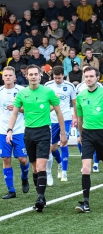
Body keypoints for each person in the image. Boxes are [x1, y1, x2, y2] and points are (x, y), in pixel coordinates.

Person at [7, 64, 66, 212]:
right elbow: (14, 113)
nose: (33, 76)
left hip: (44, 133)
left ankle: (40, 197)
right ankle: (41, 196)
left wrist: (63, 133)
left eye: (36, 74)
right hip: (28, 133)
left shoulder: (48, 92)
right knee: (34, 168)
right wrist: (9, 130)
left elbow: (59, 113)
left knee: (41, 167)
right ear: (26, 76)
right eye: (30, 74)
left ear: (40, 76)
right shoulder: (21, 94)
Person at [75, 66, 103, 213]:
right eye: (86, 76)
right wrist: (80, 134)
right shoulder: (80, 96)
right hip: (87, 135)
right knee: (85, 168)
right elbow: (80, 119)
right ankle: (86, 203)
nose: (88, 79)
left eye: (91, 76)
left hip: (102, 134)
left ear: (97, 77)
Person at [0, 67, 30, 199]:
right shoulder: (0, 92)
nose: (7, 77)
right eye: (5, 75)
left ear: (14, 77)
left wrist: (19, 109)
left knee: (23, 159)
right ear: (3, 77)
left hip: (19, 130)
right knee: (6, 159)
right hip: (2, 131)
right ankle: (11, 190)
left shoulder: (21, 91)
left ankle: (24, 177)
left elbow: (30, 108)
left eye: (10, 75)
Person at [44, 66, 76, 184]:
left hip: (66, 118)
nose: (57, 80)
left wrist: (76, 117)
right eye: (55, 78)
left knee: (64, 141)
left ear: (63, 75)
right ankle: (59, 163)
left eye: (59, 77)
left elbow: (74, 103)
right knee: (52, 148)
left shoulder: (70, 86)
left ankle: (64, 172)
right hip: (51, 120)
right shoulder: (47, 86)